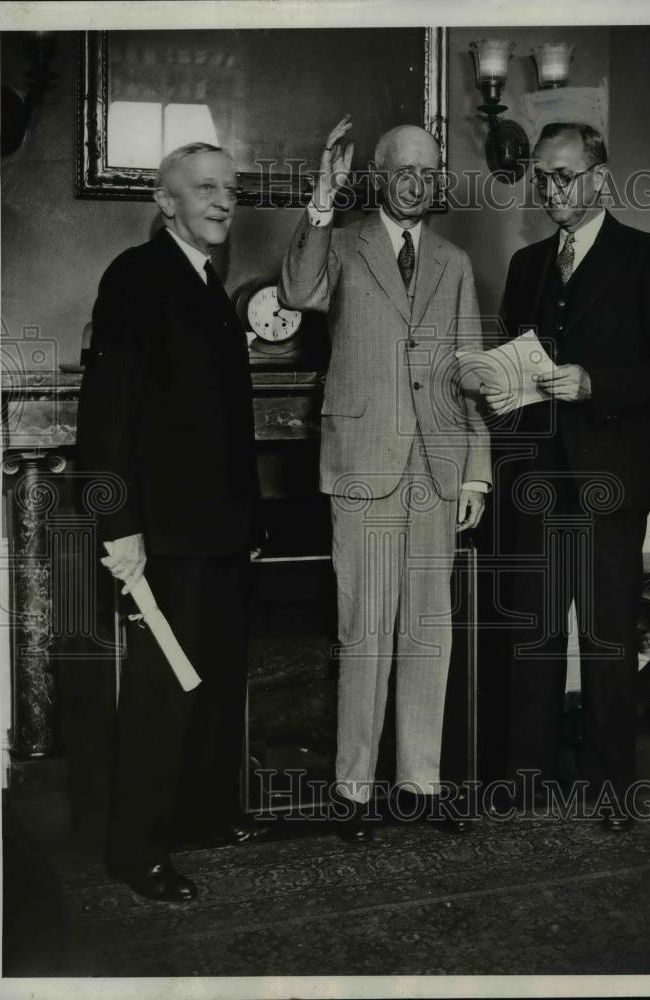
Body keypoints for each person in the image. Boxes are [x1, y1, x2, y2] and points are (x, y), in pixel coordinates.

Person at [279, 117, 491, 843]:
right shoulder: (341, 243)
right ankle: (353, 788)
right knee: (363, 629)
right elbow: (298, 289)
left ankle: (421, 783)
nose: (417, 183)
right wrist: (321, 200)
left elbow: (468, 375)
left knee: (430, 628)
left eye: (429, 173)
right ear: (376, 176)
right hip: (364, 463)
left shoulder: (454, 263)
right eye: (404, 170)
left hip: (436, 467)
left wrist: (476, 475)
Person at [482, 123, 650, 828]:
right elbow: (514, 357)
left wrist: (595, 383)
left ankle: (612, 787)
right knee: (535, 632)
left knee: (605, 635)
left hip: (610, 476)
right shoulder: (527, 264)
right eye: (542, 177)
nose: (550, 190)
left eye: (564, 176)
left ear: (601, 178)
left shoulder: (648, 256)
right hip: (537, 476)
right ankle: (527, 777)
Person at [77, 142, 264, 902]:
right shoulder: (135, 276)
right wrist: (119, 527)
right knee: (162, 690)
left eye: (231, 189)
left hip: (217, 530)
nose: (224, 201)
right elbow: (108, 413)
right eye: (206, 189)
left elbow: (224, 423)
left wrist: (249, 523)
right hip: (163, 533)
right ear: (166, 201)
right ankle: (136, 848)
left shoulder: (208, 283)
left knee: (213, 680)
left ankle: (199, 814)